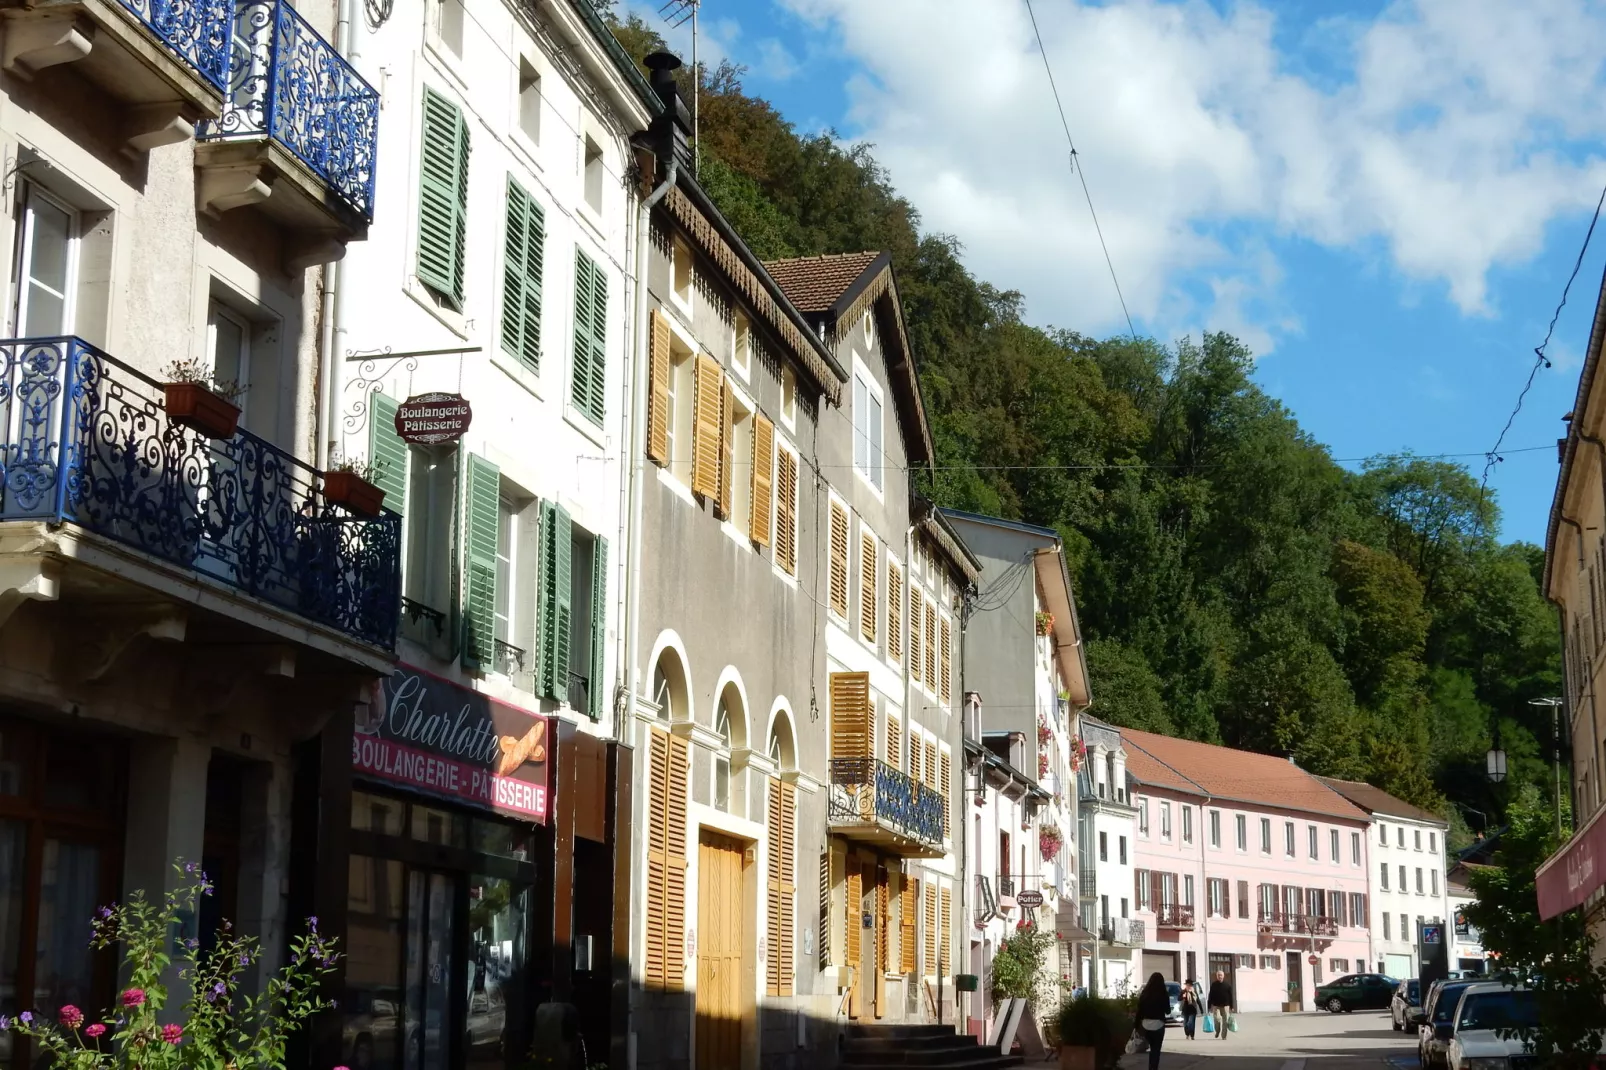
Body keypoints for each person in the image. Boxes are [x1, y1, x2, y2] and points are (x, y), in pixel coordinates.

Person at [1134, 972, 1170, 1069]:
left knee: (1151, 1048)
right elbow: (1168, 1011)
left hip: (1146, 1025)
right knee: (1156, 1050)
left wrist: (1136, 1025)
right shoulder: (1163, 994)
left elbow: (1139, 1011)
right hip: (1158, 1024)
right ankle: (1153, 1067)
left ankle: (1151, 1067)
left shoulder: (1145, 994)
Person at [1207, 969, 1235, 1039]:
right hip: (1216, 1006)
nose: (1220, 976)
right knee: (1217, 1019)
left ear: (1223, 976)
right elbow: (1210, 995)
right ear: (1217, 976)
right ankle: (1217, 1031)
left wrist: (1232, 1006)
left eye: (1221, 975)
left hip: (1225, 1006)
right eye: (1218, 975)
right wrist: (1209, 1005)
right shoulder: (1214, 985)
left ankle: (1224, 1036)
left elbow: (1231, 996)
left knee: (1225, 1022)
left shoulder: (1227, 985)